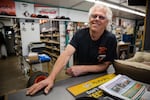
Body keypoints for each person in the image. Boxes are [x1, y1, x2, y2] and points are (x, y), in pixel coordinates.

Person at [26, 3, 117, 95]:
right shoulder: (79, 35)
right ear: (90, 19)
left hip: (100, 77)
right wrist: (51, 78)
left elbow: (105, 65)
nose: (96, 19)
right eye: (94, 16)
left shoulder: (110, 39)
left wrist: (83, 68)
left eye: (101, 17)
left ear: (107, 22)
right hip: (80, 77)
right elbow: (66, 54)